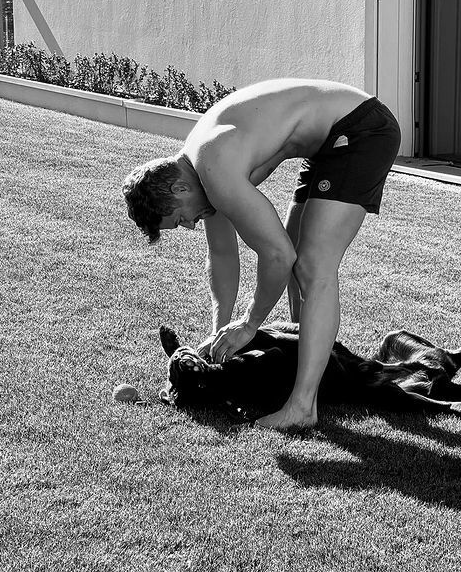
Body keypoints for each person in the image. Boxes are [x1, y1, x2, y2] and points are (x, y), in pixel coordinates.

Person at [122, 78, 401, 429]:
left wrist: (249, 324)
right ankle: (314, 372)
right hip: (328, 143)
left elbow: (278, 256)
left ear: (179, 188)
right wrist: (221, 333)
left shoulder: (214, 165)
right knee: (301, 264)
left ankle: (303, 407)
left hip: (359, 129)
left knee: (312, 266)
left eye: (180, 219)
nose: (190, 225)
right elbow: (222, 254)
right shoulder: (198, 170)